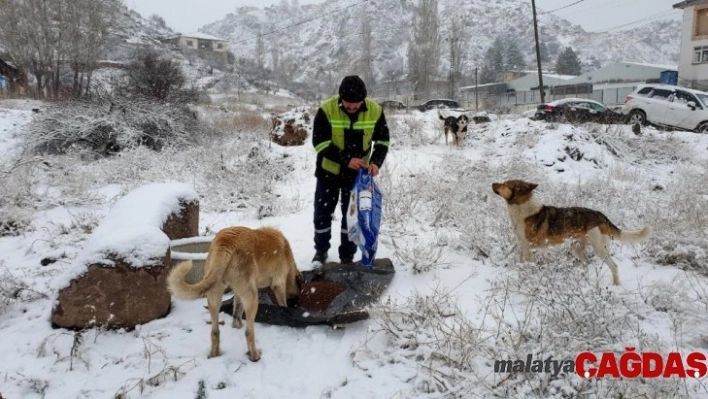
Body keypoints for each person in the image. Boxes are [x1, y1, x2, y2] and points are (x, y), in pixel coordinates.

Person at [311, 75, 390, 265]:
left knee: (352, 218)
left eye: (356, 105)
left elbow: (382, 141)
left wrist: (375, 162)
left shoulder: (375, 111)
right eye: (348, 105)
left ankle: (346, 257)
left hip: (356, 178)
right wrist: (346, 159)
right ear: (340, 99)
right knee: (322, 214)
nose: (352, 108)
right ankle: (320, 252)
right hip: (328, 173)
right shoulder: (326, 110)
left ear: (363, 100)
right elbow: (320, 143)